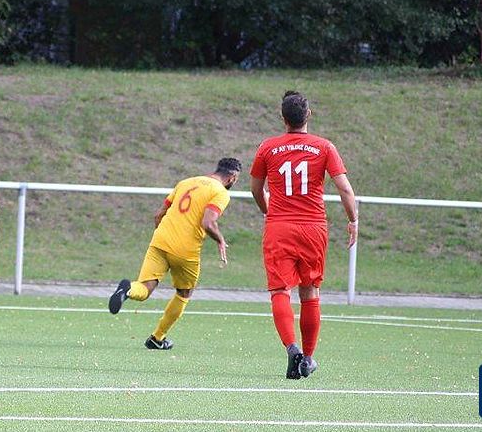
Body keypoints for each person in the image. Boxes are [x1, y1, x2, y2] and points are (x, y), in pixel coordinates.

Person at [250, 90, 357, 380]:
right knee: (310, 291)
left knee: (279, 290)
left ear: (282, 117)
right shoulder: (324, 147)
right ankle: (307, 358)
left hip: (279, 227)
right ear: (308, 115)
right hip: (313, 228)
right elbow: (345, 189)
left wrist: (268, 211)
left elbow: (256, 188)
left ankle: (292, 348)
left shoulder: (267, 147)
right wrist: (353, 220)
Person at [108, 157, 242, 350]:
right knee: (184, 292)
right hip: (185, 250)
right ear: (232, 178)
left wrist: (162, 238)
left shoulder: (186, 182)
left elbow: (158, 215)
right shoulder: (220, 192)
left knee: (144, 288)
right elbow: (208, 223)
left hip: (160, 240)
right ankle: (157, 338)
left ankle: (127, 289)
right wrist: (220, 240)